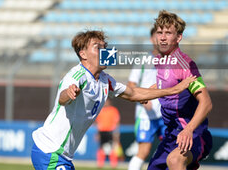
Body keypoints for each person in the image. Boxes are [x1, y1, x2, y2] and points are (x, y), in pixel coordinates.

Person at [31, 30, 198, 170]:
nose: (105, 51)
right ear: (83, 54)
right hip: (49, 152)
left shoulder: (105, 80)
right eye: (98, 47)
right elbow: (62, 99)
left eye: (106, 47)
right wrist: (69, 93)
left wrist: (173, 89)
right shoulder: (77, 76)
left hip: (63, 156)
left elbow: (133, 94)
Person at [147, 10, 213, 170]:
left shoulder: (185, 64)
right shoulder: (159, 60)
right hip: (172, 134)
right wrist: (151, 91)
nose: (162, 37)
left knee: (175, 161)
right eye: (160, 32)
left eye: (168, 33)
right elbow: (170, 84)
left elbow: (206, 102)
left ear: (178, 37)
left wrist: (189, 130)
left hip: (193, 133)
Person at [128, 27, 166, 170]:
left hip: (165, 114)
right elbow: (131, 86)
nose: (161, 39)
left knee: (172, 151)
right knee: (143, 151)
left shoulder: (171, 61)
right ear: (151, 39)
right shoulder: (143, 60)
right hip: (145, 115)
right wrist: (143, 99)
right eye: (158, 35)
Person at [95, 98, 121, 168]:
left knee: (112, 148)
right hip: (102, 131)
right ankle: (100, 164)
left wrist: (116, 133)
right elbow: (97, 122)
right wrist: (97, 133)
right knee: (101, 148)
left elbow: (117, 122)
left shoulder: (113, 110)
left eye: (107, 101)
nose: (106, 103)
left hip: (110, 132)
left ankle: (114, 164)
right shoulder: (100, 110)